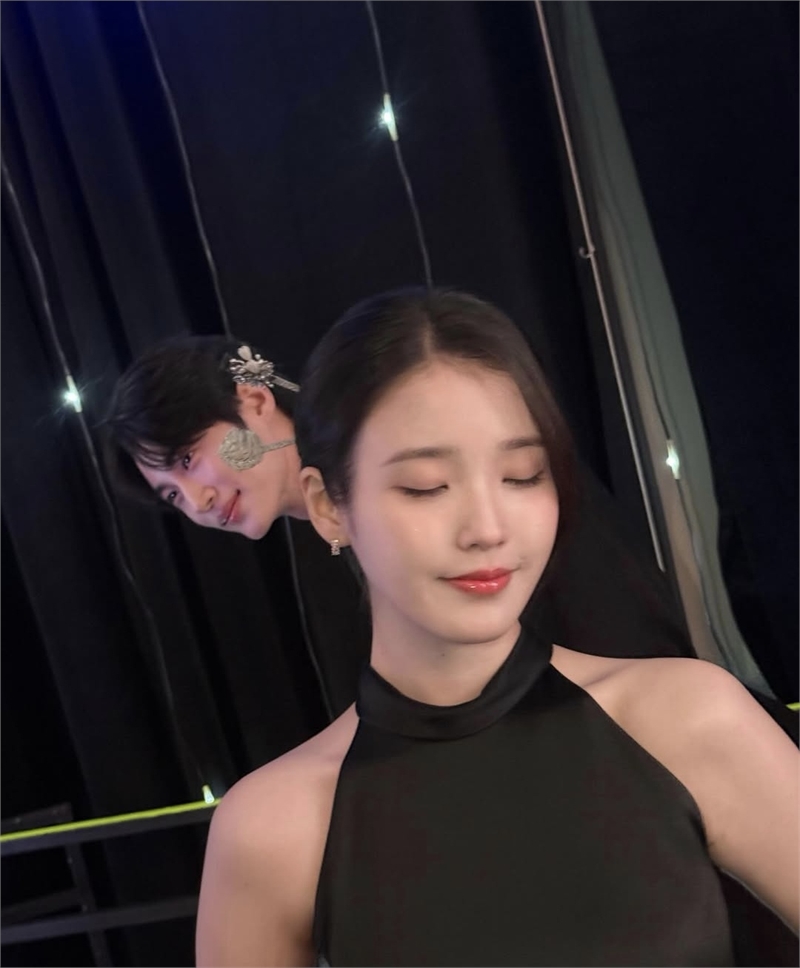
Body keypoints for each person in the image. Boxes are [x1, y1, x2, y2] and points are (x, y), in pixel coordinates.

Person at [194, 288, 798, 967]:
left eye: (522, 475)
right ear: (329, 506)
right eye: (426, 485)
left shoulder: (688, 717)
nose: (487, 528)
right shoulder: (272, 829)